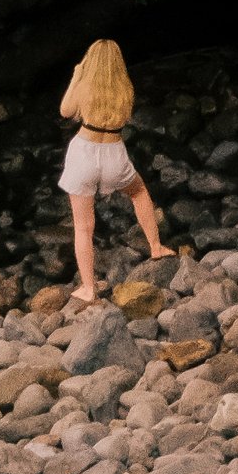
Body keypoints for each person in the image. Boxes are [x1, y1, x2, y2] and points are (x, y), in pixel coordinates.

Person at [58, 39, 172, 303]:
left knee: (83, 227)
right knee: (139, 191)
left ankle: (88, 289)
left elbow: (66, 112)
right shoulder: (125, 88)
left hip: (84, 152)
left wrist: (76, 77)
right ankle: (156, 247)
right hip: (113, 152)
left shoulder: (84, 85)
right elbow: (125, 118)